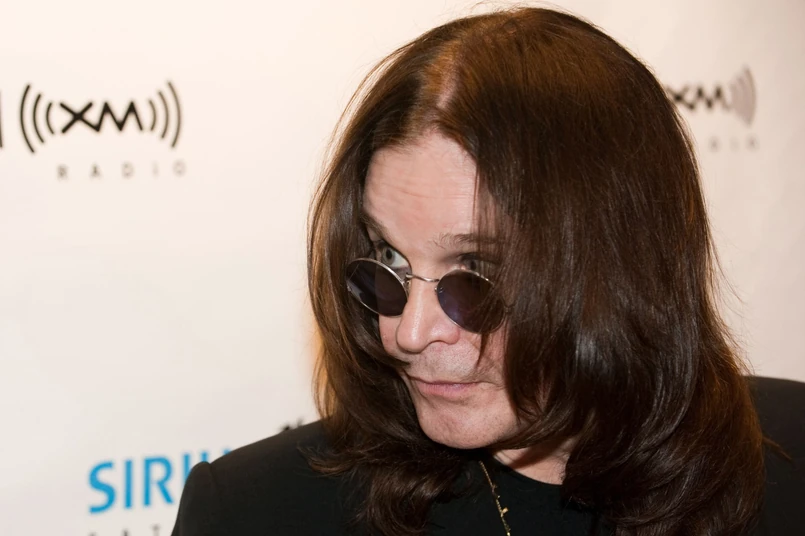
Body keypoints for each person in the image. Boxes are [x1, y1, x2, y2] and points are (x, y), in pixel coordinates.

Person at [171, 7, 805, 536]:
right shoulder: (257, 511)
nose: (407, 332)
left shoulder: (789, 453)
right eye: (388, 262)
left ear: (617, 266)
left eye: (473, 275)